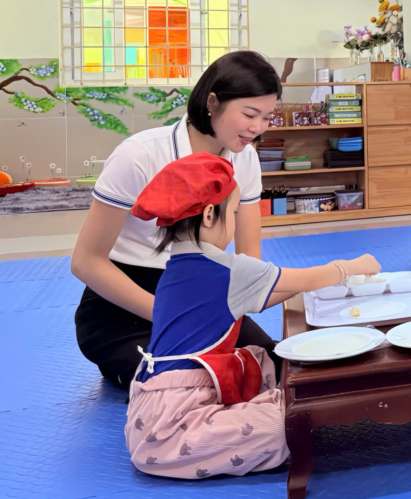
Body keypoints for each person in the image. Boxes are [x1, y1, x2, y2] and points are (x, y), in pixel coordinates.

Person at [124, 153, 381, 480]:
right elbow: (307, 278)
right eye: (233, 213)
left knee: (258, 359)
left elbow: (263, 295)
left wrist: (308, 285)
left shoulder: (177, 268)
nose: (234, 224)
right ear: (209, 215)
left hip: (152, 405)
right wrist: (355, 266)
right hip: (173, 428)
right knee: (289, 421)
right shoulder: (225, 269)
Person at [72, 50, 282, 389]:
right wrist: (170, 314)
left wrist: (232, 306)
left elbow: (249, 258)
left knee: (272, 369)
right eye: (249, 114)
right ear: (212, 102)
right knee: (192, 383)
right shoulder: (139, 155)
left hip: (200, 296)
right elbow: (85, 261)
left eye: (267, 117)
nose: (257, 128)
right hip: (123, 308)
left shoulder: (245, 160)